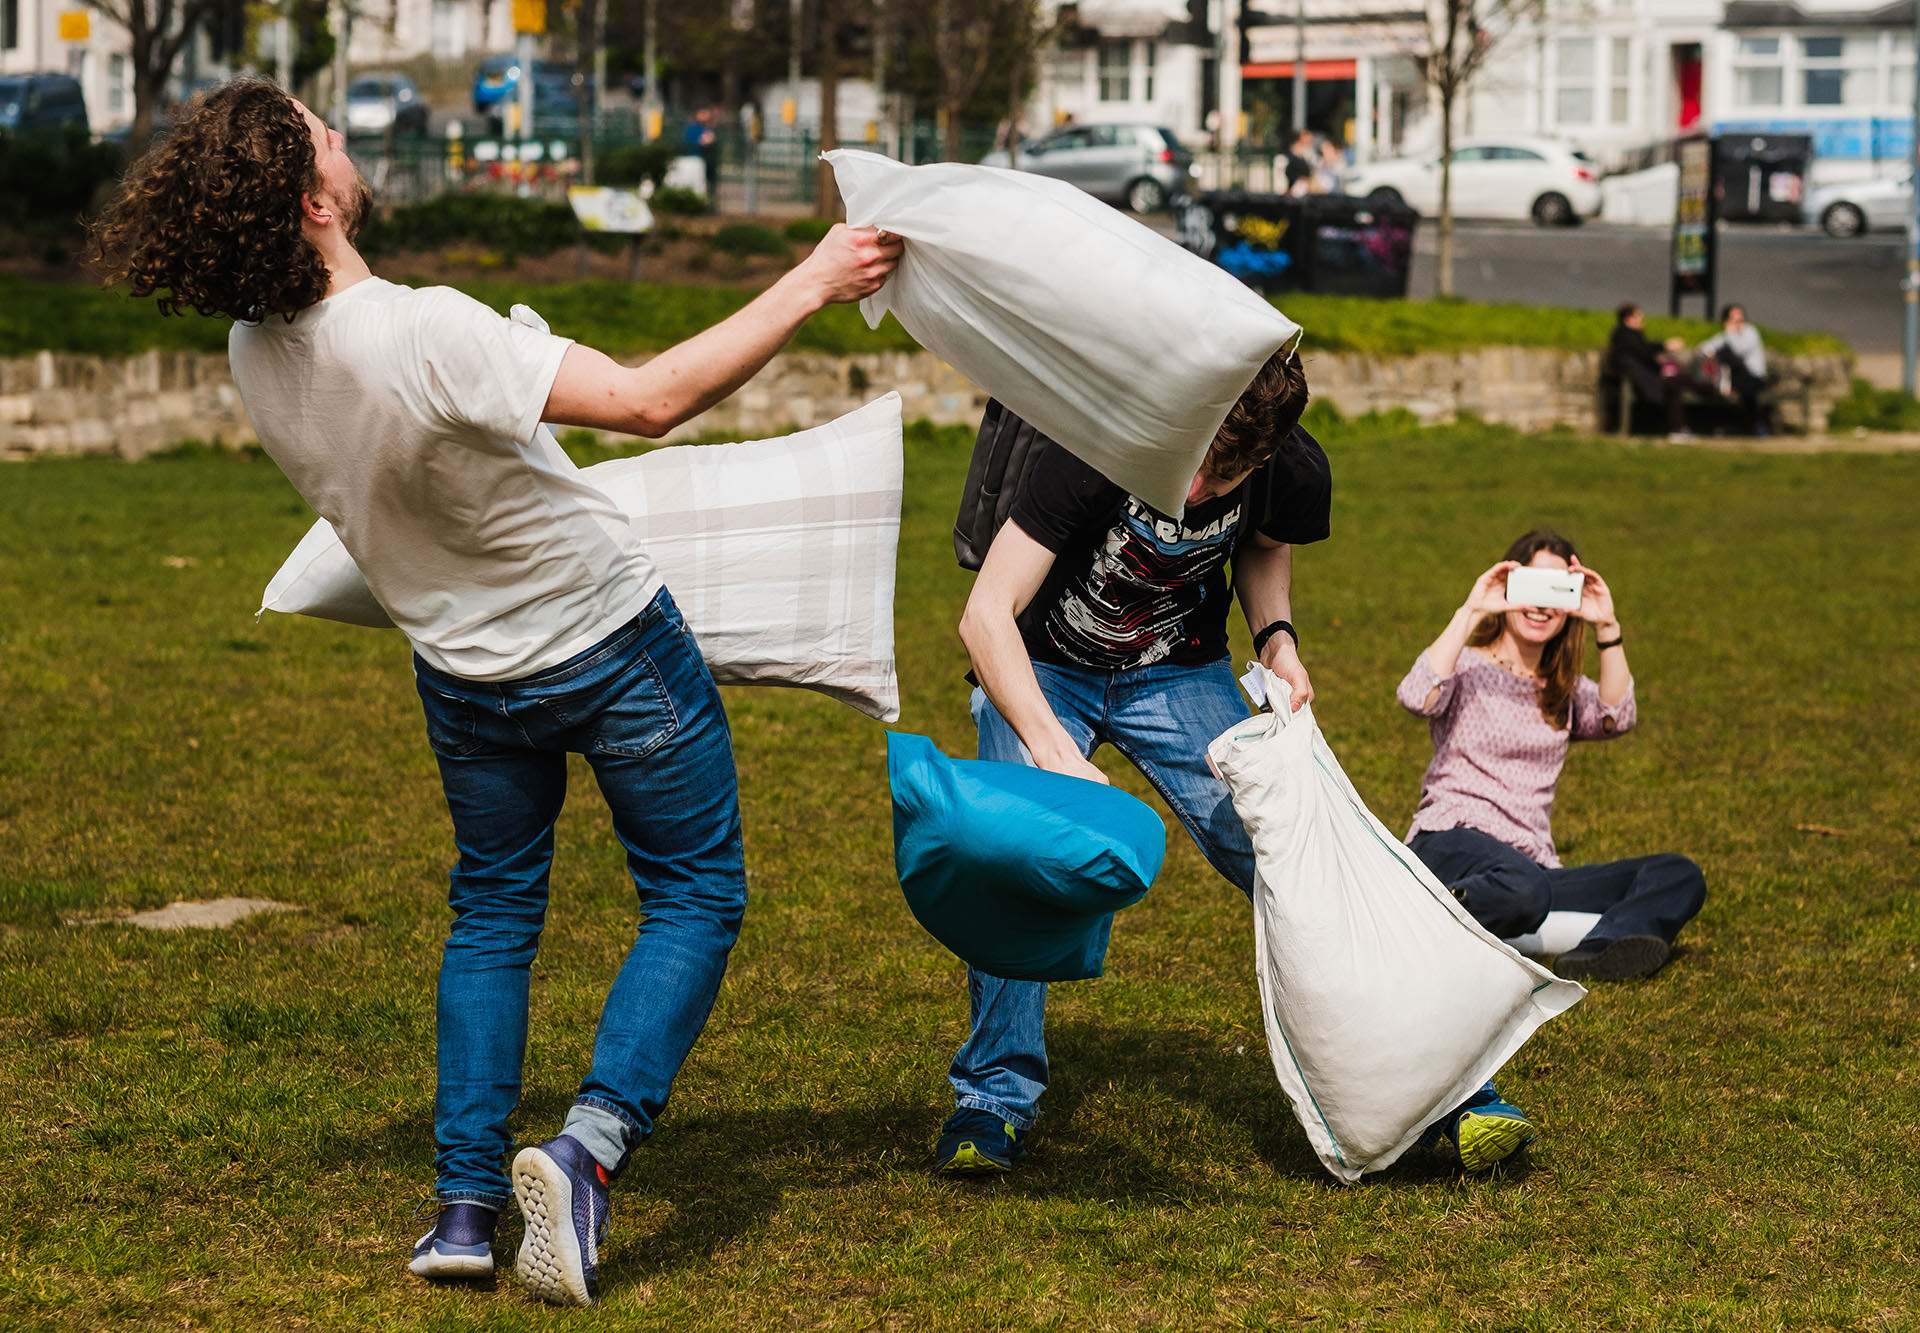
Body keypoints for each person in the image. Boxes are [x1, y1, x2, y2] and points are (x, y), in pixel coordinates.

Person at [90, 78, 900, 1306]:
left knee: (493, 916)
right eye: (330, 136)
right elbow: (649, 400)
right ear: (313, 202)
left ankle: (464, 1209)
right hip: (609, 642)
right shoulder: (420, 327)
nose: (349, 142)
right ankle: (588, 1151)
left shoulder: (255, 354)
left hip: (464, 678)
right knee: (694, 894)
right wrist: (812, 280)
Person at [931, 354, 1546, 1176]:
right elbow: (984, 616)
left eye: (1225, 474)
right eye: (1197, 462)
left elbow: (1261, 547)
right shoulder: (1097, 442)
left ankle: (1455, 1089)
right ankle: (991, 1103)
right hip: (1044, 668)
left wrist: (1276, 639)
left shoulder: (1288, 467)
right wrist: (1049, 753)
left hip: (1177, 675)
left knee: (1302, 858)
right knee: (1015, 859)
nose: (1195, 492)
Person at [1398, 530, 1706, 982]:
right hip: (1453, 839)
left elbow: (1616, 717)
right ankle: (1417, 920)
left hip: (1532, 863)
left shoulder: (1562, 689)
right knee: (1523, 888)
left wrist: (1607, 626)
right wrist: (1473, 609)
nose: (1542, 606)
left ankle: (1599, 951)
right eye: (1532, 588)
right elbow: (1415, 696)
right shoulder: (1466, 664)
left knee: (1677, 874)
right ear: (1508, 586)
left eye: (1558, 592)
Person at [1606, 302, 1693, 441]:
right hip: (1646, 380)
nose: (1643, 321)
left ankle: (1679, 429)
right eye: (1640, 317)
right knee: (1675, 384)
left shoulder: (1629, 335)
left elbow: (1644, 351)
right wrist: (1666, 347)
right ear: (1629, 319)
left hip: (1648, 378)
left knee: (1679, 382)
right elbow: (1644, 354)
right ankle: (1678, 430)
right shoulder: (1625, 336)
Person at [1699, 302, 1769, 437]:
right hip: (1738, 378)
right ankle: (1728, 425)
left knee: (1747, 390)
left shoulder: (1751, 332)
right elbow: (1705, 348)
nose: (1738, 324)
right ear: (1726, 321)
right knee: (1721, 359)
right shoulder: (1726, 336)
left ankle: (1758, 424)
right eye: (1733, 320)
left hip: (1754, 376)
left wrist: (1728, 334)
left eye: (1741, 320)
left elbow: (1738, 350)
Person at [1283, 128, 1317, 196]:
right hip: (1297, 185)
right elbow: (1289, 172)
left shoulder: (1310, 152)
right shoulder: (1293, 153)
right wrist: (1300, 179)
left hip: (1309, 184)